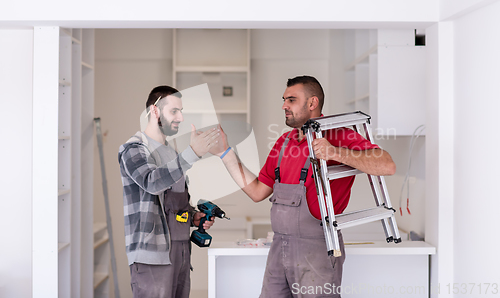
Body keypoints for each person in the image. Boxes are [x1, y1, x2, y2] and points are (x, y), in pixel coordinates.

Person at [211, 75, 396, 297]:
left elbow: (387, 164)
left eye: (291, 100)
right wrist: (225, 152)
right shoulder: (283, 142)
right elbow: (257, 191)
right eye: (284, 100)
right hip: (279, 248)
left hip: (318, 249)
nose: (284, 106)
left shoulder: (338, 134)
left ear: (312, 103)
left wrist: (334, 152)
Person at [118, 85, 220, 298]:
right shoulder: (134, 148)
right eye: (174, 111)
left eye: (181, 111)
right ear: (154, 111)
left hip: (180, 253)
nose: (180, 117)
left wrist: (193, 217)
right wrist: (191, 154)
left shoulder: (170, 153)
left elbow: (173, 203)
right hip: (152, 256)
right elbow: (151, 182)